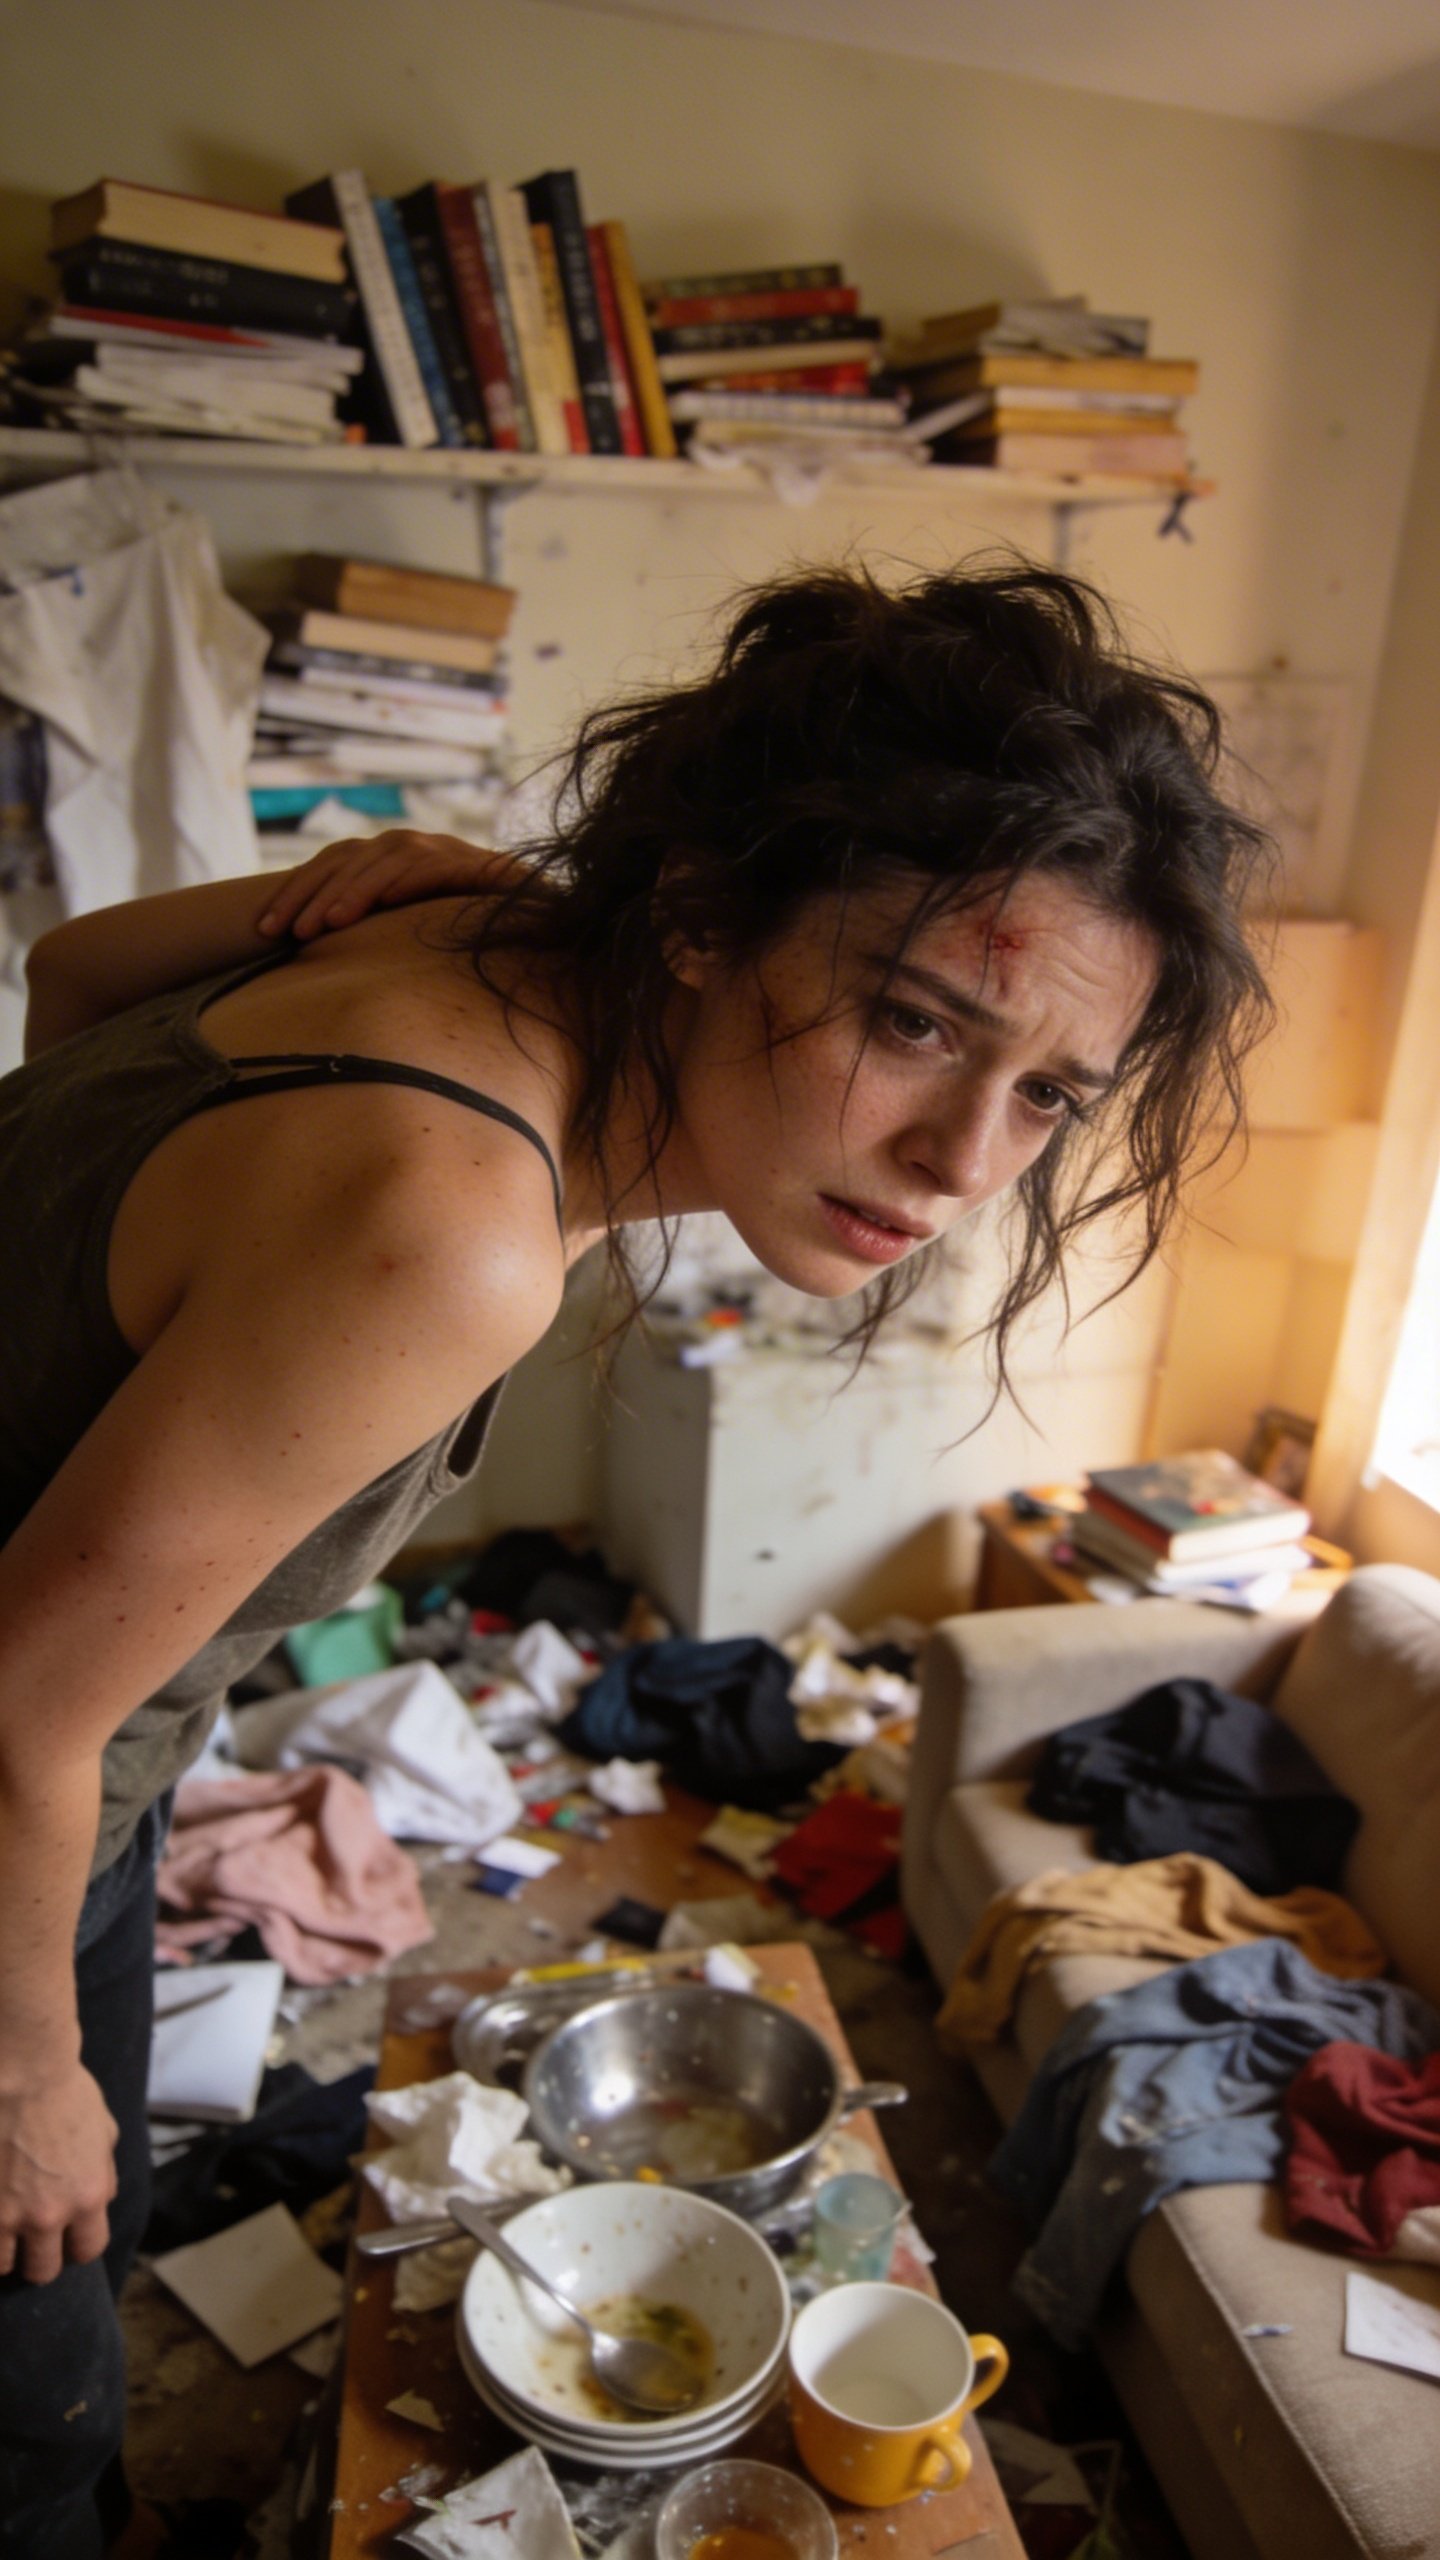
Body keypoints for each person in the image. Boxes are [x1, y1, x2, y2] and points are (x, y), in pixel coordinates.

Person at [0, 558, 1271, 2553]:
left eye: (1045, 1091)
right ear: (694, 916)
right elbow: (11, 1699)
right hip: (17, 1770)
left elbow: (68, 982)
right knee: (32, 2407)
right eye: (914, 1019)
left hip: (77, 1768)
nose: (963, 1161)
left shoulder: (482, 946)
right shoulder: (456, 1214)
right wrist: (20, 2070)